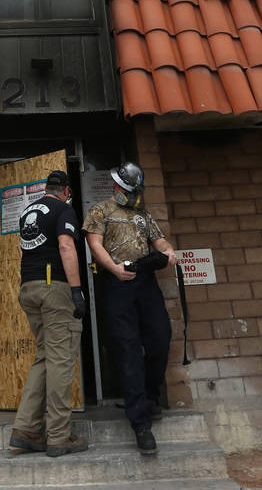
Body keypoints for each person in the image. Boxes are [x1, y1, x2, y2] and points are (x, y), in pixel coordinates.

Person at [84, 161, 176, 455]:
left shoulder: (143, 215)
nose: (128, 193)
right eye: (125, 188)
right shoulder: (101, 210)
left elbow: (160, 241)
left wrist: (168, 252)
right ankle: (141, 423)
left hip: (146, 283)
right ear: (116, 187)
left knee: (160, 338)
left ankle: (149, 395)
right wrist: (113, 269)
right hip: (117, 283)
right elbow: (94, 244)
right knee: (128, 347)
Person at [8, 170, 88, 457]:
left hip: (28, 288)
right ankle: (58, 437)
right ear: (67, 189)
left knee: (44, 357)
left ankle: (25, 428)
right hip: (54, 289)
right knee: (61, 360)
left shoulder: (28, 210)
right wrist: (76, 290)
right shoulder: (63, 209)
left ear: (46, 188)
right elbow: (66, 245)